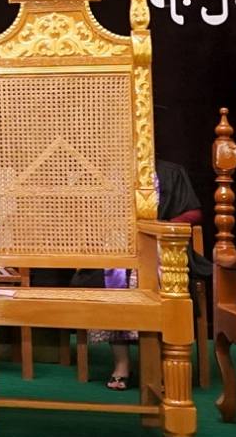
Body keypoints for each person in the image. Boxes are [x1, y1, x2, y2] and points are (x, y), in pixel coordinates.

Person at [83, 158, 204, 390]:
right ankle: (121, 365)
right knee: (111, 277)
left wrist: (163, 226)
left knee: (159, 277)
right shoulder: (106, 171)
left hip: (161, 243)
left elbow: (193, 212)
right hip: (115, 244)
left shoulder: (170, 171)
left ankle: (162, 365)